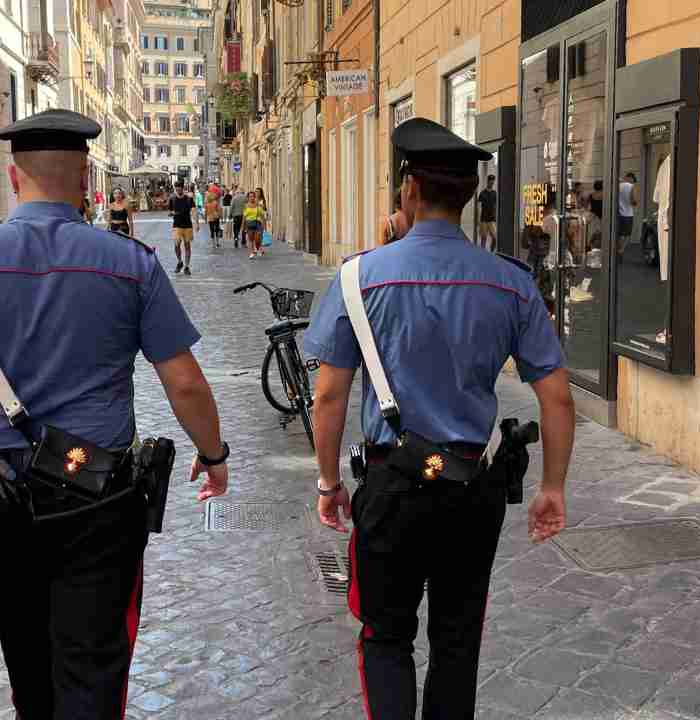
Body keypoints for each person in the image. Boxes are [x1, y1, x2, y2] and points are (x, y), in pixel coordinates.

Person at [0, 109, 230, 719]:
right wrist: (212, 455)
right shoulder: (130, 263)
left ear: (14, 179)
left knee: (27, 658)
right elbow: (184, 383)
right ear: (84, 179)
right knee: (94, 666)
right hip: (98, 497)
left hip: (1, 496)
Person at [303, 117, 575, 719]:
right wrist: (551, 487)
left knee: (385, 636)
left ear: (407, 190)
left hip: (390, 488)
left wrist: (328, 483)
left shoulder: (359, 277)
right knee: (457, 643)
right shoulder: (511, 283)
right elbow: (556, 397)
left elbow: (328, 398)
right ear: (469, 195)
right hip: (470, 489)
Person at [168, 183, 198, 275]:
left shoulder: (189, 199)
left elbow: (193, 211)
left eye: (179, 189)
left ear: (183, 189)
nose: (178, 191)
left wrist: (196, 223)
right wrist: (172, 213)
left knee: (187, 245)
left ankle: (187, 266)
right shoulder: (172, 199)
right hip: (177, 225)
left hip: (187, 225)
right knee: (176, 244)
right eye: (176, 189)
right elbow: (170, 210)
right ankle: (180, 261)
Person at [476, 175, 498, 251]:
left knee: (495, 237)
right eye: (490, 182)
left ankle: (491, 252)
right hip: (484, 219)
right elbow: (479, 207)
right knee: (484, 238)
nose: (492, 184)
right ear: (488, 182)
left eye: (493, 182)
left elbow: (496, 206)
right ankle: (482, 254)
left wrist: (496, 217)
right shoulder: (482, 193)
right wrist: (479, 221)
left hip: (491, 219)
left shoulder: (495, 193)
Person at [617, 172, 637, 255]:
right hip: (628, 214)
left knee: (619, 233)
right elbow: (633, 200)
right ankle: (621, 250)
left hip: (618, 213)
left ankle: (617, 248)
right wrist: (635, 202)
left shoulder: (617, 185)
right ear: (630, 178)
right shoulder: (631, 186)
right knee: (627, 234)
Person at [243, 191, 266, 259]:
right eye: (250, 197)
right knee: (250, 239)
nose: (252, 198)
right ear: (248, 198)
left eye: (253, 196)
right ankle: (252, 252)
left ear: (255, 197)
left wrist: (264, 225)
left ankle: (258, 248)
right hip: (249, 223)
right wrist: (242, 227)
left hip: (257, 223)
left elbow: (262, 215)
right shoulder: (246, 206)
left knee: (257, 239)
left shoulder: (258, 205)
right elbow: (244, 216)